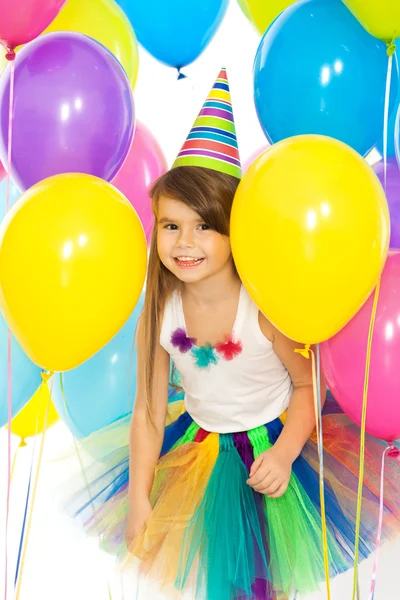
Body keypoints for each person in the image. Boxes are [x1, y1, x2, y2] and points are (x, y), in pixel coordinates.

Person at [65, 69, 400, 600]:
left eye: (204, 227)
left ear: (233, 231)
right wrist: (140, 497)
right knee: (221, 584)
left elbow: (309, 385)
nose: (185, 243)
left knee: (267, 584)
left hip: (273, 445)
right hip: (201, 453)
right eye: (171, 226)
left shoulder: (262, 307)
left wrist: (287, 452)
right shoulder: (162, 311)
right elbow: (149, 414)